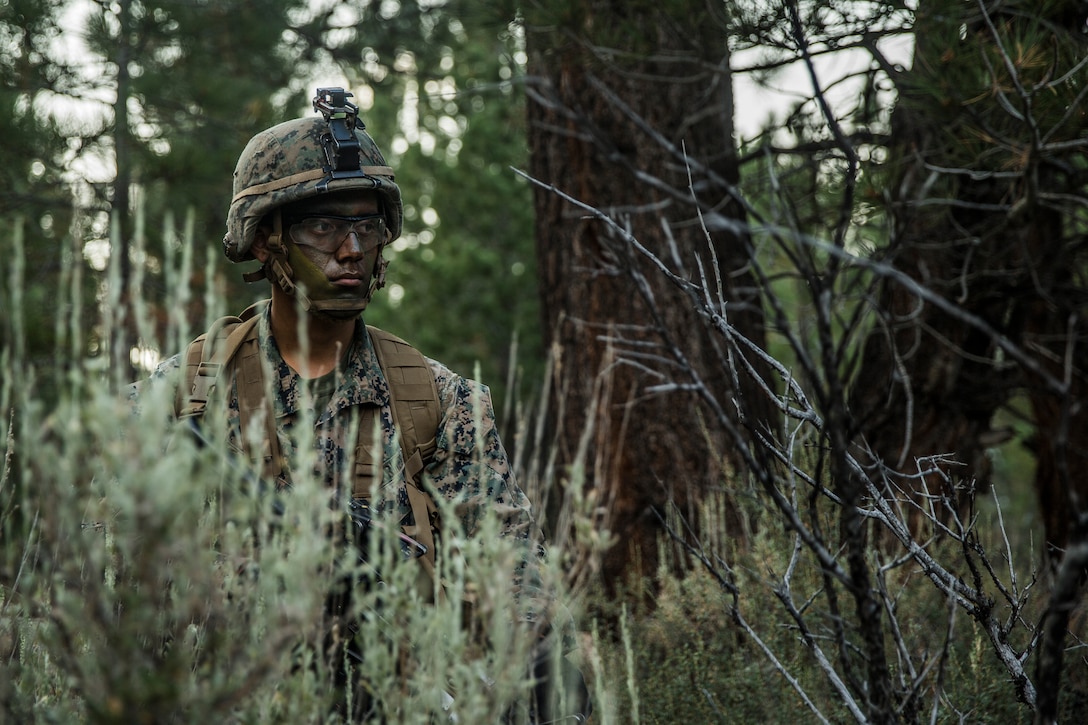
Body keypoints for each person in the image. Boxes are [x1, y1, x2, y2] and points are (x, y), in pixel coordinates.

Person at [137, 87, 588, 721]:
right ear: (267, 241)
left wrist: (530, 658)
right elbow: (105, 581)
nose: (351, 250)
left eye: (366, 226)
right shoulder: (180, 402)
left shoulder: (438, 400)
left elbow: (511, 566)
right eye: (323, 226)